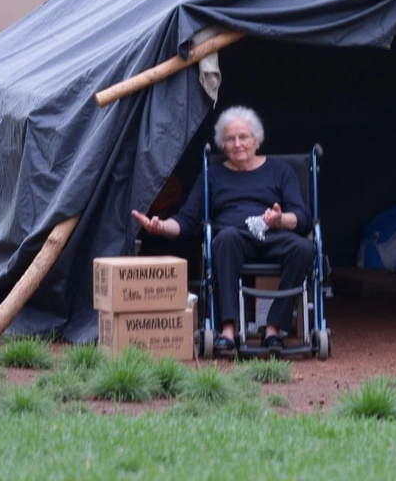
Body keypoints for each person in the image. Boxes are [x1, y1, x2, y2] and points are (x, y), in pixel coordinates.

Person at [131, 106, 315, 353]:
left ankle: (273, 330)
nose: (237, 144)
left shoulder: (280, 171)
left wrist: (280, 220)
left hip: (273, 233)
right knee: (225, 238)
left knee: (304, 248)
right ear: (222, 144)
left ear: (257, 140)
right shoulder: (213, 174)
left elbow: (302, 218)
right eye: (230, 139)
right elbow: (186, 221)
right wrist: (160, 226)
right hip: (233, 238)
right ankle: (228, 330)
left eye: (244, 137)